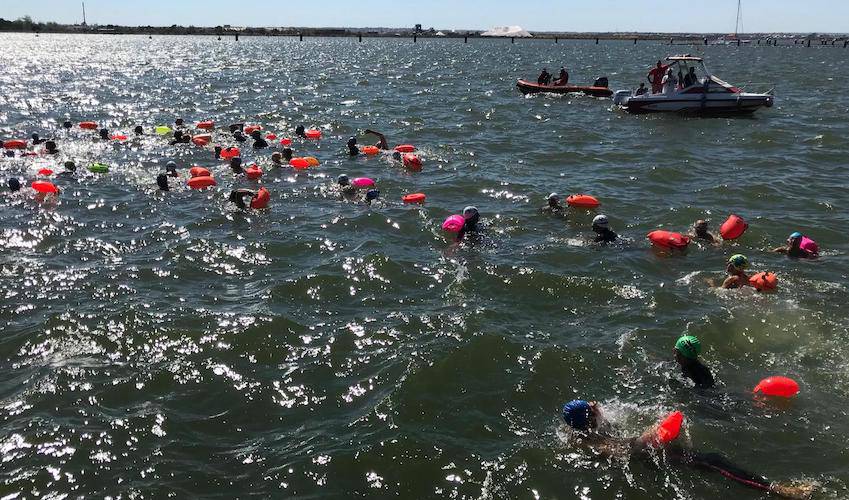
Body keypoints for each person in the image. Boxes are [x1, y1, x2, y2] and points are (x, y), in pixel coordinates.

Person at [561, 400, 813, 499]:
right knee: (713, 461)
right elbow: (627, 448)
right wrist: (654, 431)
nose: (596, 404)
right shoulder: (596, 443)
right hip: (654, 458)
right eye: (592, 407)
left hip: (649, 453)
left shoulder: (582, 433)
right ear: (590, 417)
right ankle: (779, 491)